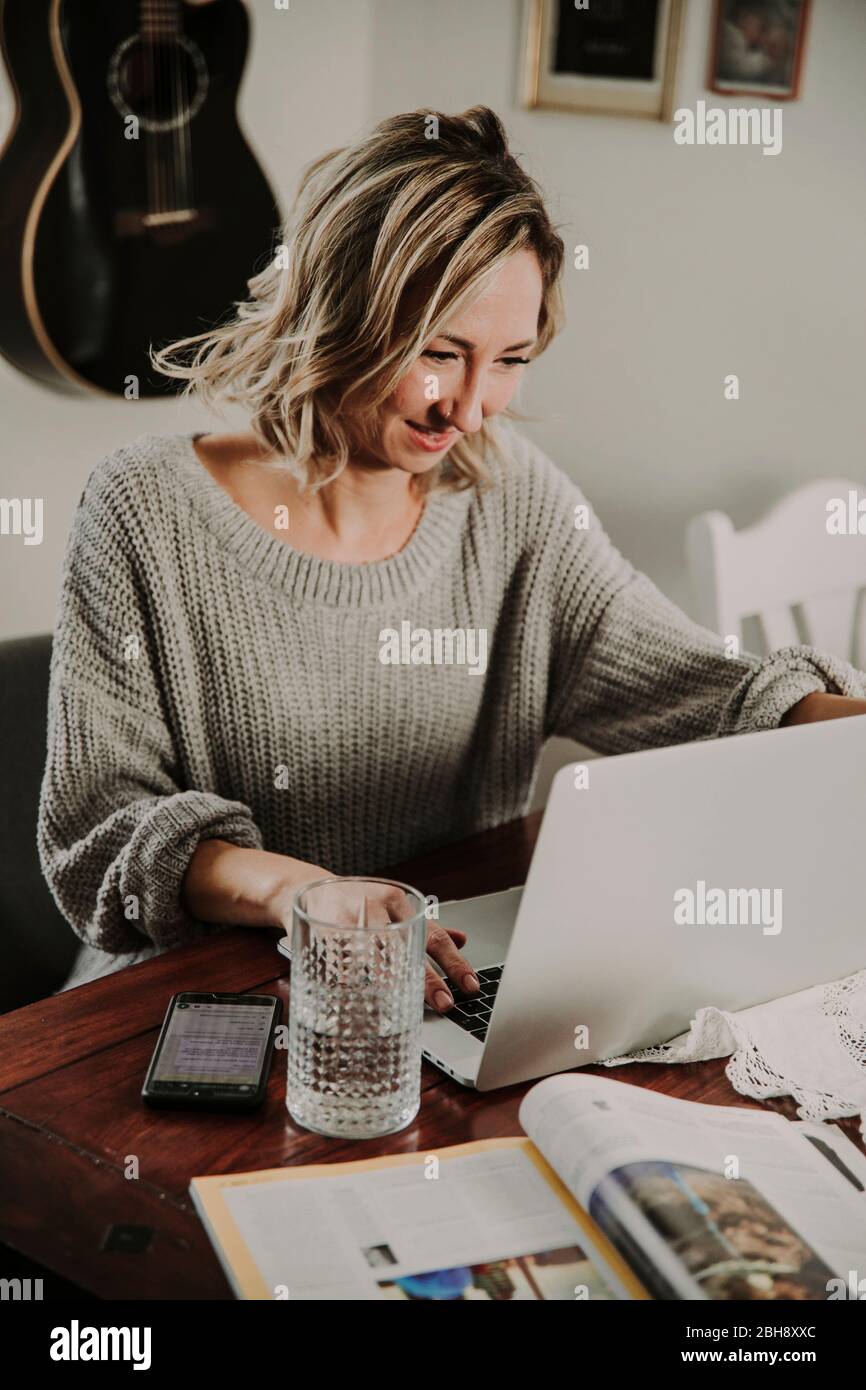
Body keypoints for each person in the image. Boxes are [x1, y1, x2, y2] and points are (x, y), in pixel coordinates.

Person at [37, 107, 866, 1012]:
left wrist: (846, 727)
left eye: (509, 359)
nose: (470, 409)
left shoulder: (511, 498)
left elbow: (704, 689)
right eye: (439, 353)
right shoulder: (146, 508)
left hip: (436, 984)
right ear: (340, 313)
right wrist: (296, 894)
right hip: (195, 1006)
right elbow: (101, 829)